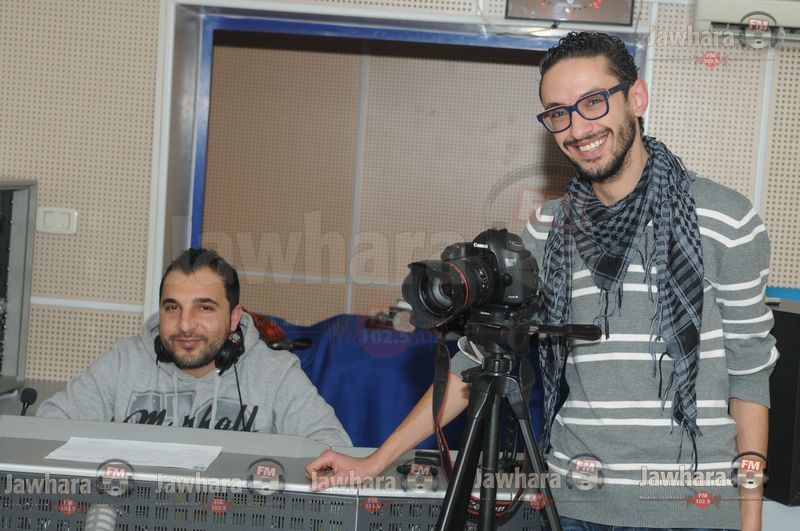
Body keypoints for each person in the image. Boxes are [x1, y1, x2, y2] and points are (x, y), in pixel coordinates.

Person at [306, 32, 776, 530]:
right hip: (573, 506)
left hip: (692, 508)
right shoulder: (548, 230)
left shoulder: (725, 219)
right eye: (558, 113)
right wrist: (375, 462)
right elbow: (476, 359)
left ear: (636, 97)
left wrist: (750, 522)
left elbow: (750, 375)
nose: (578, 128)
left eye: (593, 102)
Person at [38, 248, 352, 448]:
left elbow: (333, 446)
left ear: (234, 318)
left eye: (204, 308)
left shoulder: (275, 373)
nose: (185, 325)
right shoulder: (123, 362)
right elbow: (48, 427)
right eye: (172, 308)